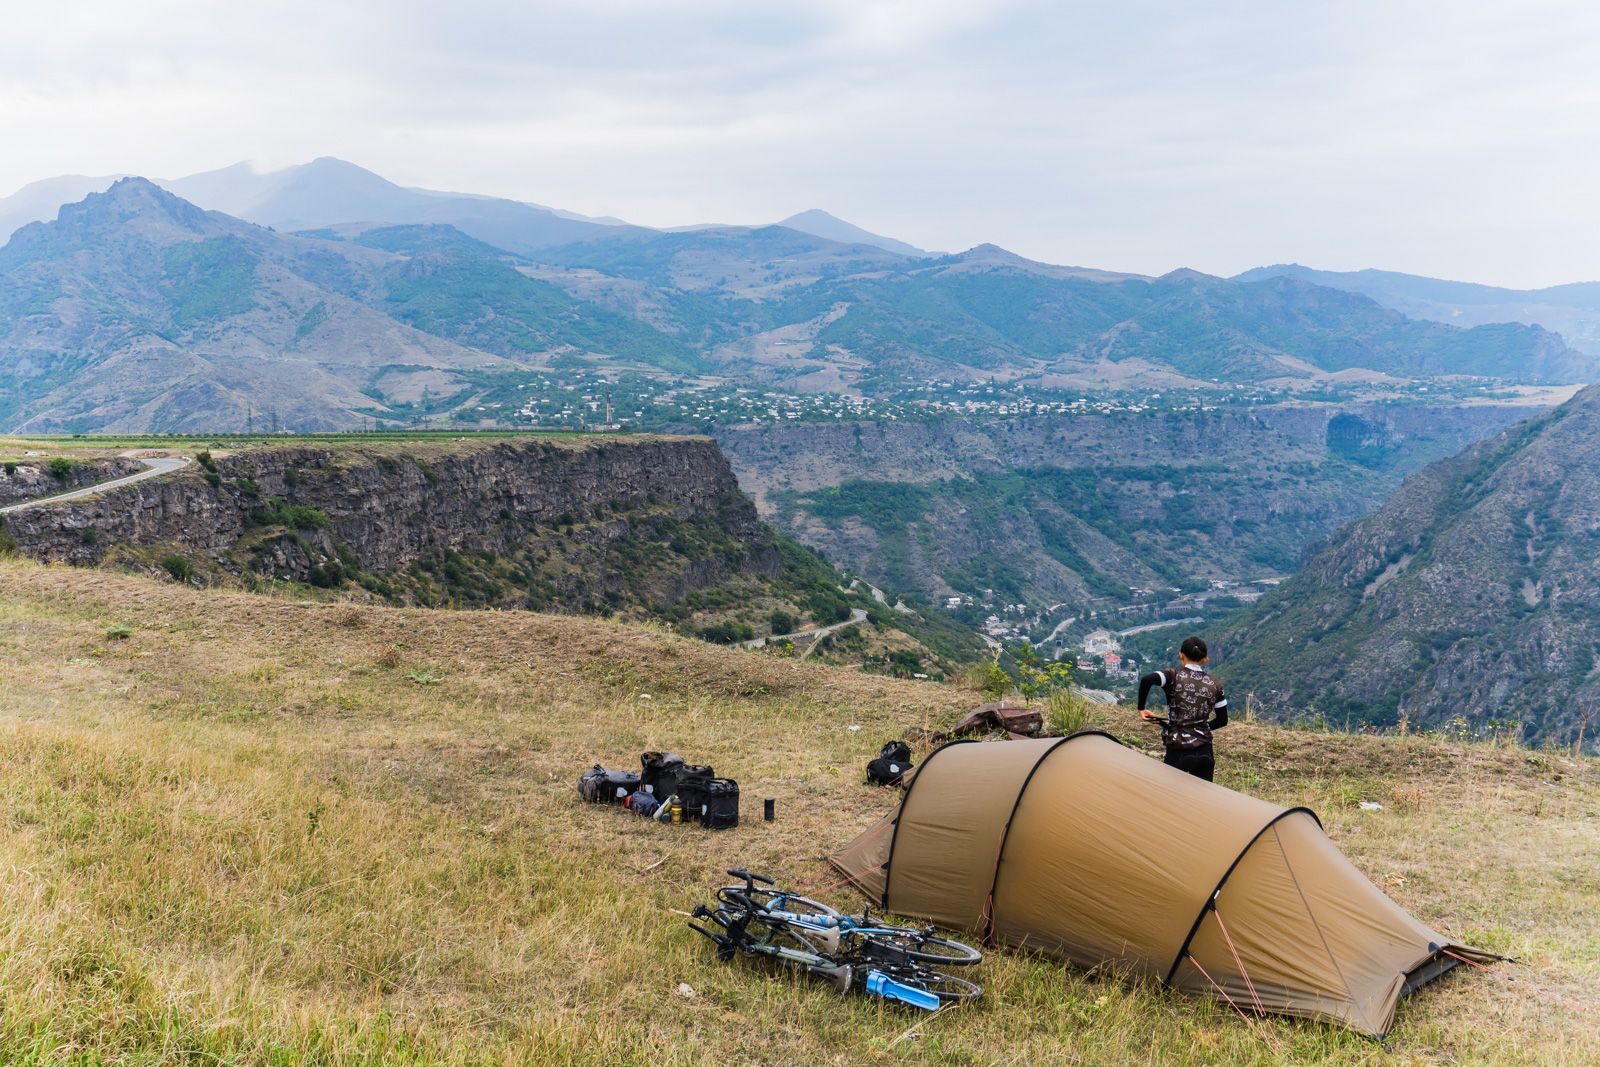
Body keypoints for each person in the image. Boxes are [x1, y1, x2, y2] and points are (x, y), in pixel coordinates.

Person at [1136, 635, 1228, 781]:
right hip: (1205, 751)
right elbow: (1222, 720)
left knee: (1169, 796)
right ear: (1205, 659)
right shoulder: (1215, 685)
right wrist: (1200, 728)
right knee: (1202, 799)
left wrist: (1141, 708)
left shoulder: (1172, 676)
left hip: (1178, 750)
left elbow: (1147, 680)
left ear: (1181, 655)